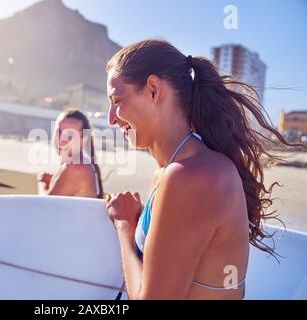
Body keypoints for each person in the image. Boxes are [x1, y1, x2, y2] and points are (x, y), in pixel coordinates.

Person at [105, 39, 303, 299]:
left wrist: (124, 226)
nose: (110, 117)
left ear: (153, 89)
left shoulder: (191, 176)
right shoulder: (171, 172)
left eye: (117, 99)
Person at [38, 109, 103, 199]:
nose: (62, 140)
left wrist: (42, 182)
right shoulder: (80, 163)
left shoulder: (77, 168)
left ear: (83, 139)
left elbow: (44, 206)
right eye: (59, 132)